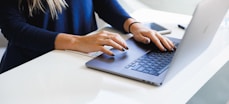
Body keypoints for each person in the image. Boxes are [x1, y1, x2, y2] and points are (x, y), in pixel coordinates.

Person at [0, 0, 175, 74]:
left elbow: (102, 2)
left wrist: (133, 25)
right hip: (32, 69)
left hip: (82, 60)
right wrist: (76, 41)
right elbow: (13, 28)